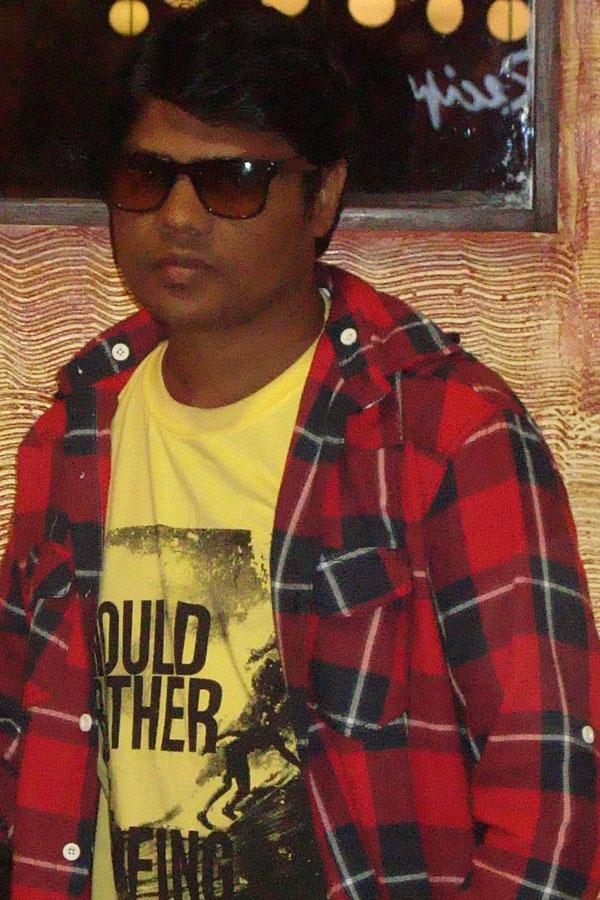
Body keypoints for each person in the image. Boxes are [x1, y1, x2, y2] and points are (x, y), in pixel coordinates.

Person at [0, 1, 598, 898]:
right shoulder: (73, 435)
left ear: (321, 199)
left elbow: (549, 792)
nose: (179, 216)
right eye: (147, 176)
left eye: (234, 181)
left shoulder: (442, 435)